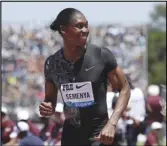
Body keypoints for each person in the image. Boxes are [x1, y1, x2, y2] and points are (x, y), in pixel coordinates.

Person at [39, 8, 130, 146]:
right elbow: (50, 99)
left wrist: (112, 123)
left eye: (86, 25)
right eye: (79, 26)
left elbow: (124, 89)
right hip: (71, 135)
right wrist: (47, 107)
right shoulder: (52, 63)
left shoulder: (101, 55)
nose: (85, 30)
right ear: (64, 30)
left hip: (99, 134)